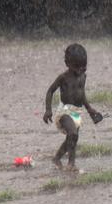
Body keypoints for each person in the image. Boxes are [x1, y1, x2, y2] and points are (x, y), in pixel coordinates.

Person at [43, 43, 104, 172]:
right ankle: (71, 164)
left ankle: (57, 158)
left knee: (72, 139)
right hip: (64, 112)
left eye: (84, 67)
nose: (80, 70)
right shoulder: (63, 78)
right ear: (67, 63)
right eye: (77, 67)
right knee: (73, 134)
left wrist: (89, 109)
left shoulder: (83, 76)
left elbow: (81, 94)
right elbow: (50, 91)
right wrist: (48, 110)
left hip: (77, 113)